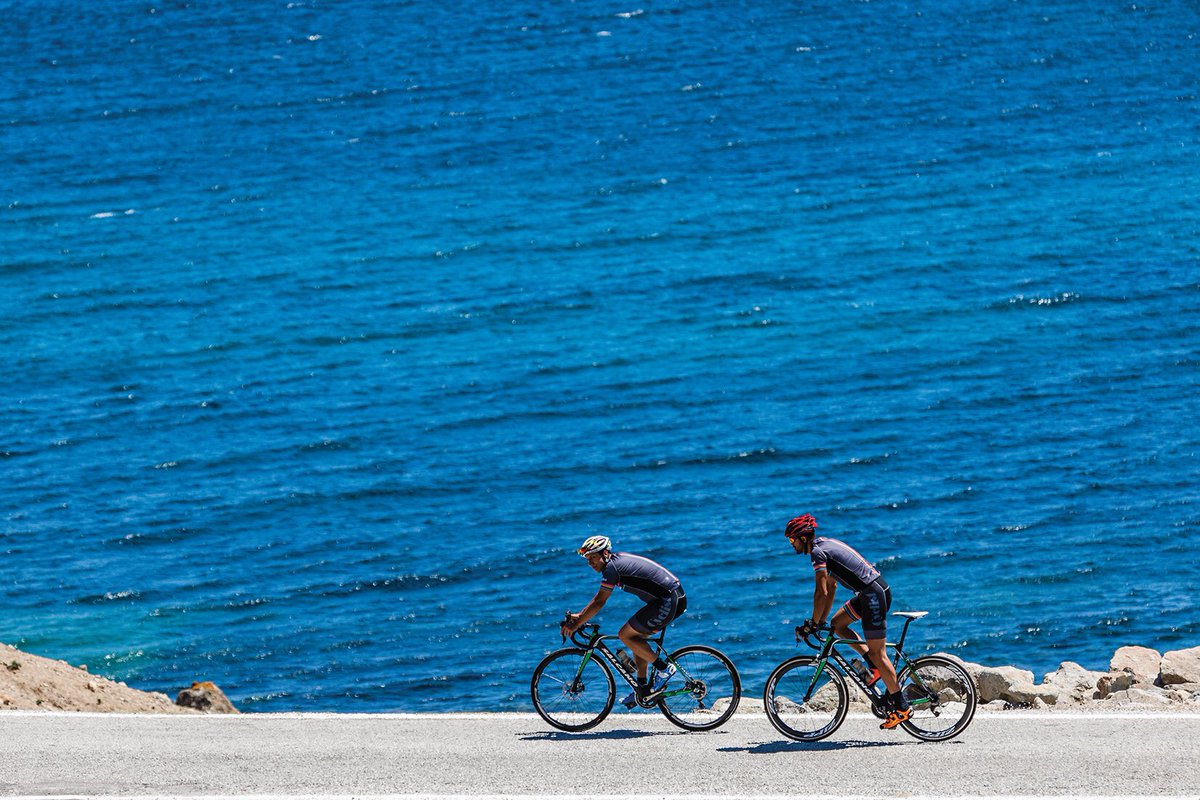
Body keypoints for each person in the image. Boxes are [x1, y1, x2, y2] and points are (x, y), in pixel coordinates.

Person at [784, 513, 912, 729]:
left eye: (791, 540)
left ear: (802, 538)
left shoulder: (817, 553)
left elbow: (821, 592)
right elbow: (832, 588)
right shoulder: (823, 545)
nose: (791, 545)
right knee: (837, 624)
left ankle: (901, 707)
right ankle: (874, 668)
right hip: (870, 592)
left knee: (879, 654)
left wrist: (812, 624)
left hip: (873, 594)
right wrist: (821, 621)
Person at [561, 535, 687, 707]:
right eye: (587, 560)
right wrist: (580, 615)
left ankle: (664, 669)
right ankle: (642, 689)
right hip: (667, 599)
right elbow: (598, 600)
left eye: (593, 557)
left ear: (605, 553)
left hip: (669, 600)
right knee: (635, 638)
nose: (590, 563)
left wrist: (577, 623)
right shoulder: (613, 563)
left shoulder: (611, 569)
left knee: (625, 635)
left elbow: (600, 601)